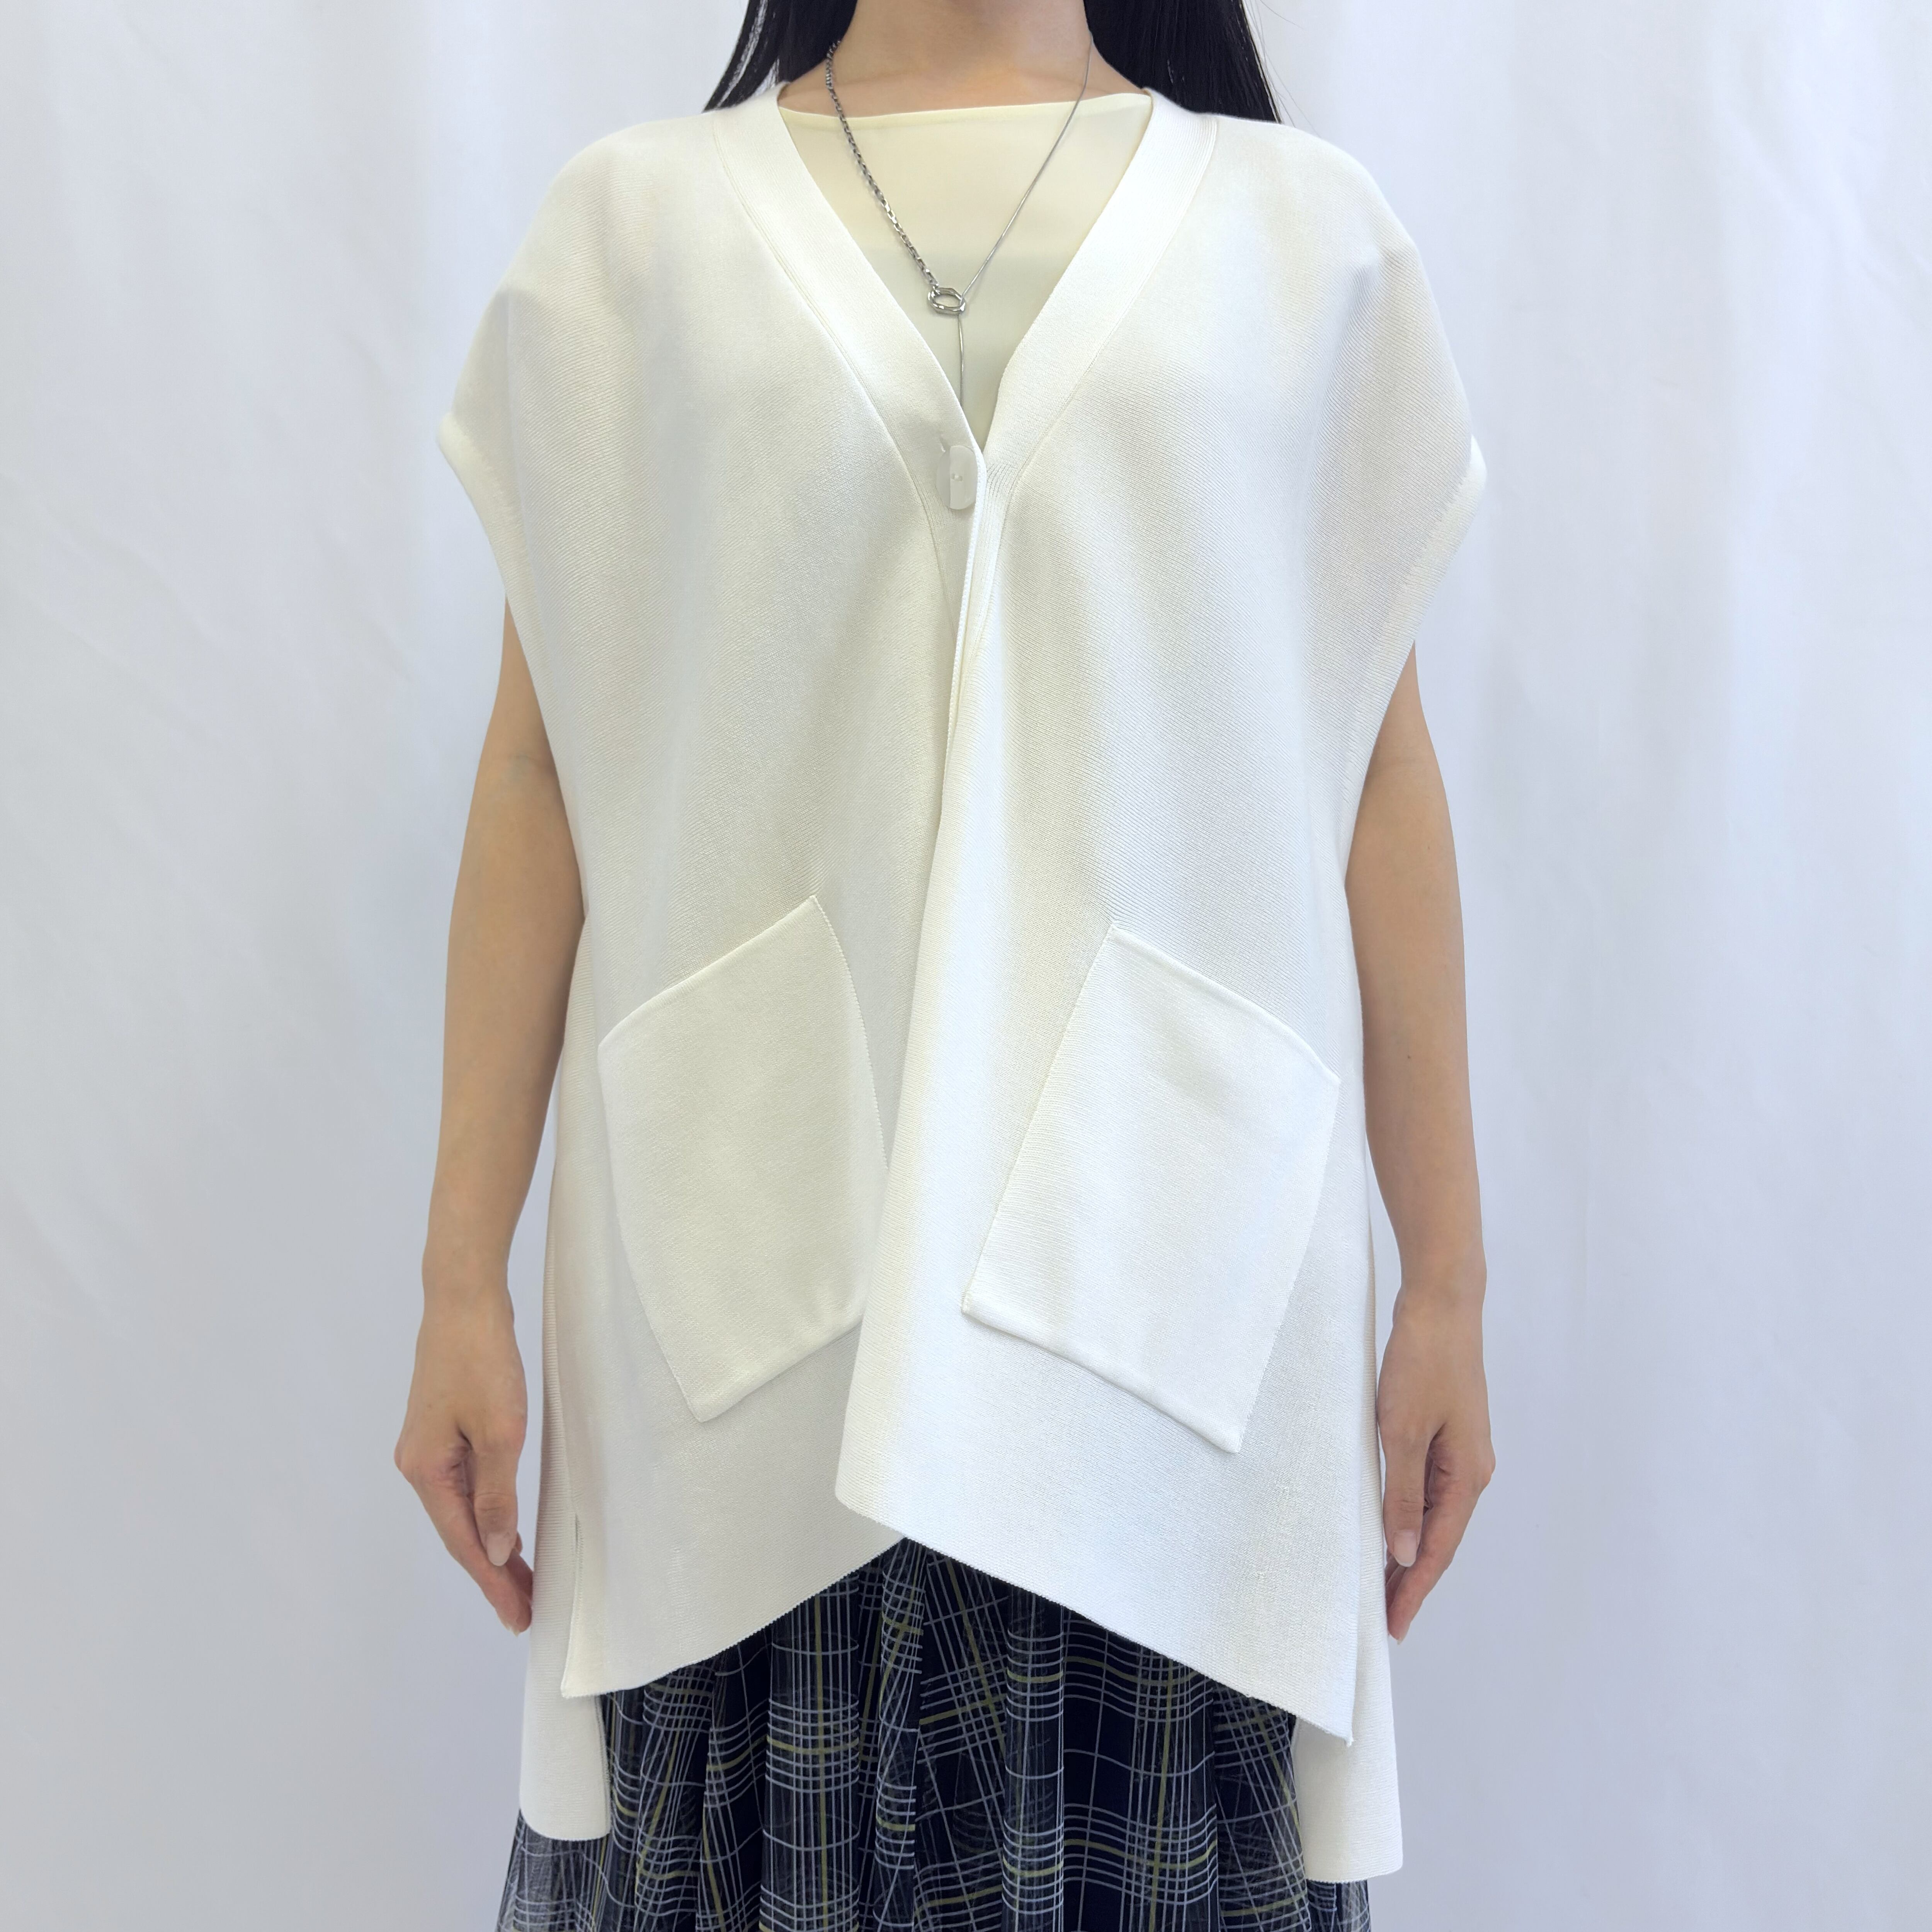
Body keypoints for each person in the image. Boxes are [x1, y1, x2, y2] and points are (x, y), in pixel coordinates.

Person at [396, 3, 1495, 1926]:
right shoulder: (631, 238)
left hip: (1162, 1351)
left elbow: (1374, 779)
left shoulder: (1303, 240)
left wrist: (1449, 1283)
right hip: (749, 1356)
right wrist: (454, 1278)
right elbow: (540, 763)